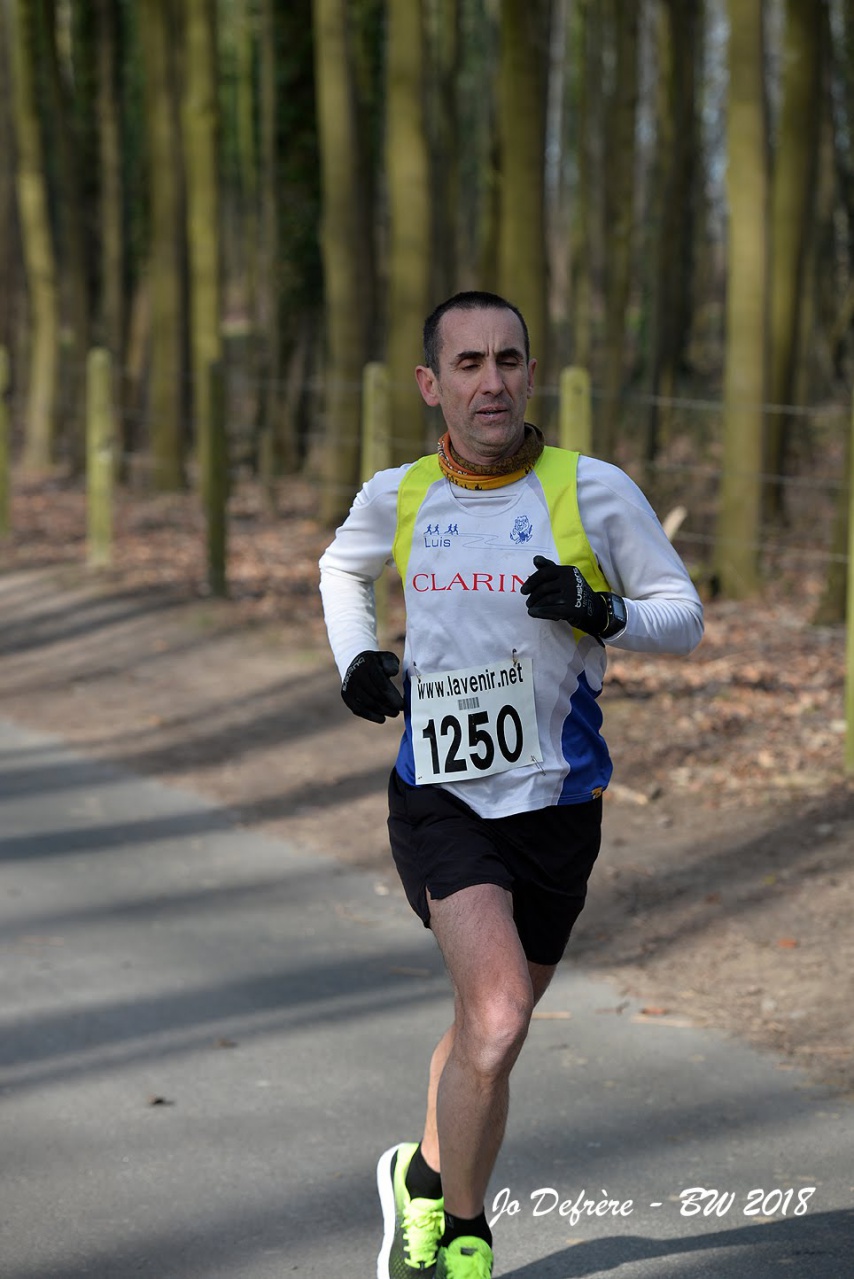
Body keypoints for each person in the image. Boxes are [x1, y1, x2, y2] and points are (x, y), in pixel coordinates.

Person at [318, 291, 704, 1279]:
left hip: (560, 804)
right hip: (442, 797)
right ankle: (464, 1233)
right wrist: (356, 659)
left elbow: (683, 616)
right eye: (467, 363)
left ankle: (417, 1173)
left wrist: (602, 609)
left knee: (484, 1033)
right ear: (430, 384)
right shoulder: (399, 494)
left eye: (507, 360)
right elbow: (340, 569)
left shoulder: (592, 489)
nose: (490, 381)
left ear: (530, 373)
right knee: (496, 1017)